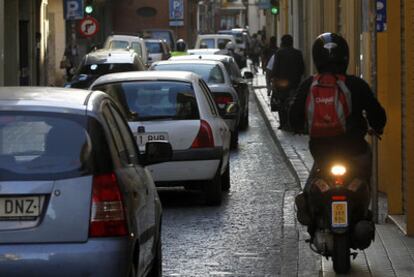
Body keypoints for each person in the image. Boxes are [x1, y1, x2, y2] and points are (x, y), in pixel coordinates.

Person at [288, 33, 387, 225]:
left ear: (316, 58)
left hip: (321, 149)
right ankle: (365, 209)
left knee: (317, 171)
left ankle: (307, 199)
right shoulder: (356, 85)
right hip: (354, 150)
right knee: (365, 168)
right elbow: (377, 113)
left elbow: (294, 116)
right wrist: (378, 127)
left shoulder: (309, 84)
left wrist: (301, 127)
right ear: (345, 56)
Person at [270, 34, 304, 129]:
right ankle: (292, 123)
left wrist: (273, 79)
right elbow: (302, 69)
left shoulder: (279, 53)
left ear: (282, 43)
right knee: (293, 103)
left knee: (281, 103)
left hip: (282, 84)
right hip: (294, 83)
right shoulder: (298, 53)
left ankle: (283, 123)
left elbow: (275, 68)